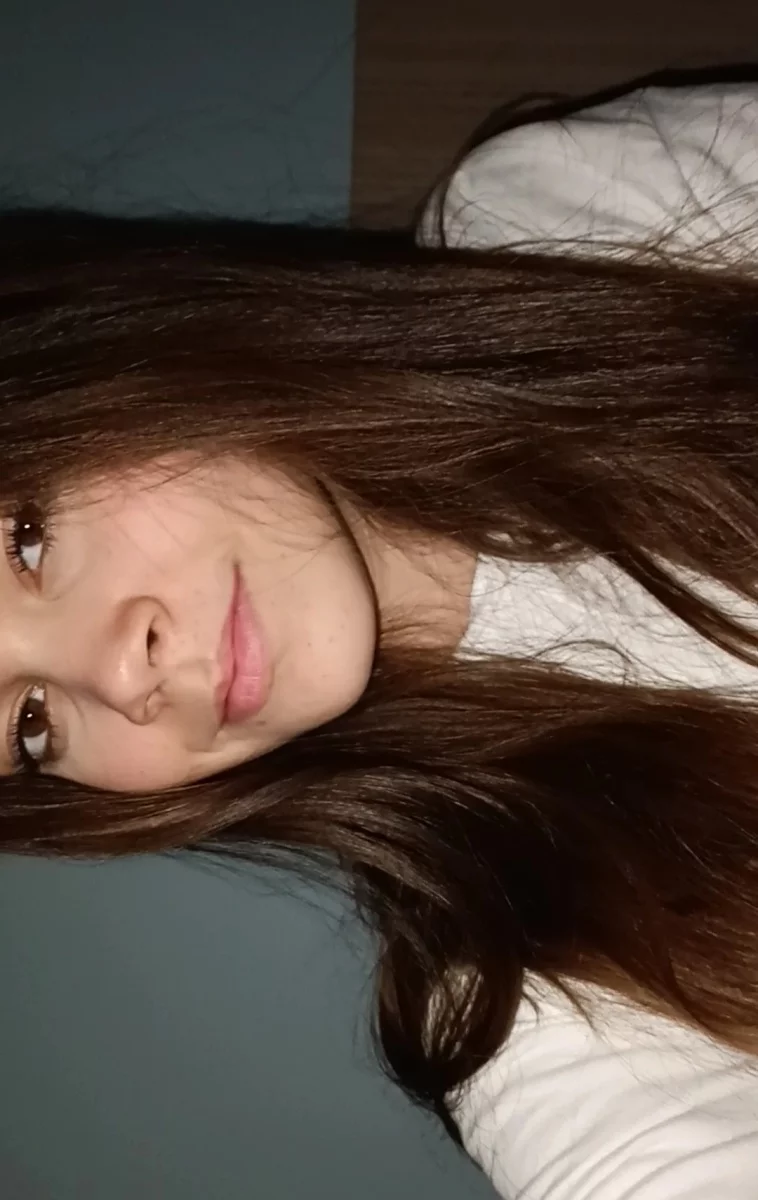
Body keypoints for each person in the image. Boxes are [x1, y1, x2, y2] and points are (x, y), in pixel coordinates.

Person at [2, 58, 758, 1198]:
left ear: (96, 354)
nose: (117, 676)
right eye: (28, 726)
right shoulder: (528, 997)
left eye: (26, 539)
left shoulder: (564, 224)